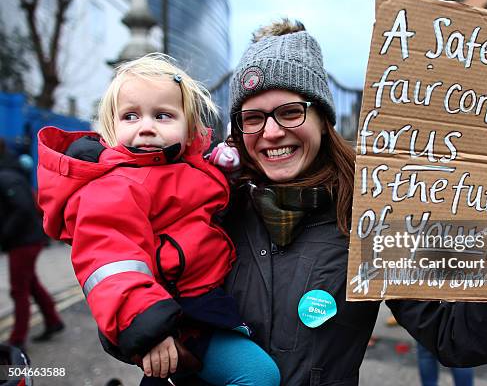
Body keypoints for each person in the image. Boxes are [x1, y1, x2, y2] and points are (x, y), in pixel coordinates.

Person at [220, 19, 487, 385]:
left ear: (323, 120)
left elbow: (458, 340)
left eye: (291, 112)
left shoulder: (370, 218)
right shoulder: (215, 210)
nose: (272, 133)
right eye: (252, 119)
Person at [36, 54, 280, 385]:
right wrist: (148, 326)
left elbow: (204, 194)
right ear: (112, 126)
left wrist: (228, 168)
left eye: (163, 115)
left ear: (189, 126)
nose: (146, 126)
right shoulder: (116, 185)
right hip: (175, 316)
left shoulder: (182, 166)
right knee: (258, 375)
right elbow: (111, 261)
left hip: (205, 302)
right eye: (131, 115)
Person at [0, 138, 64, 350]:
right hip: (25, 240)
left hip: (23, 242)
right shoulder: (10, 171)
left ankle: (17, 341)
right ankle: (53, 321)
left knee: (19, 290)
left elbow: (23, 208)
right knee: (31, 284)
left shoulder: (7, 176)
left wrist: (5, 235)